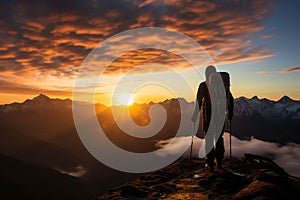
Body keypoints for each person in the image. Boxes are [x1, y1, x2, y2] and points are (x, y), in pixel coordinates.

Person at [192, 65, 234, 172]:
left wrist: (195, 116)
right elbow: (230, 98)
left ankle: (210, 163)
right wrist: (230, 114)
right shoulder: (221, 85)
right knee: (219, 138)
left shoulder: (203, 85)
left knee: (209, 139)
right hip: (220, 115)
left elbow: (198, 101)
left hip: (208, 116)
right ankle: (219, 161)